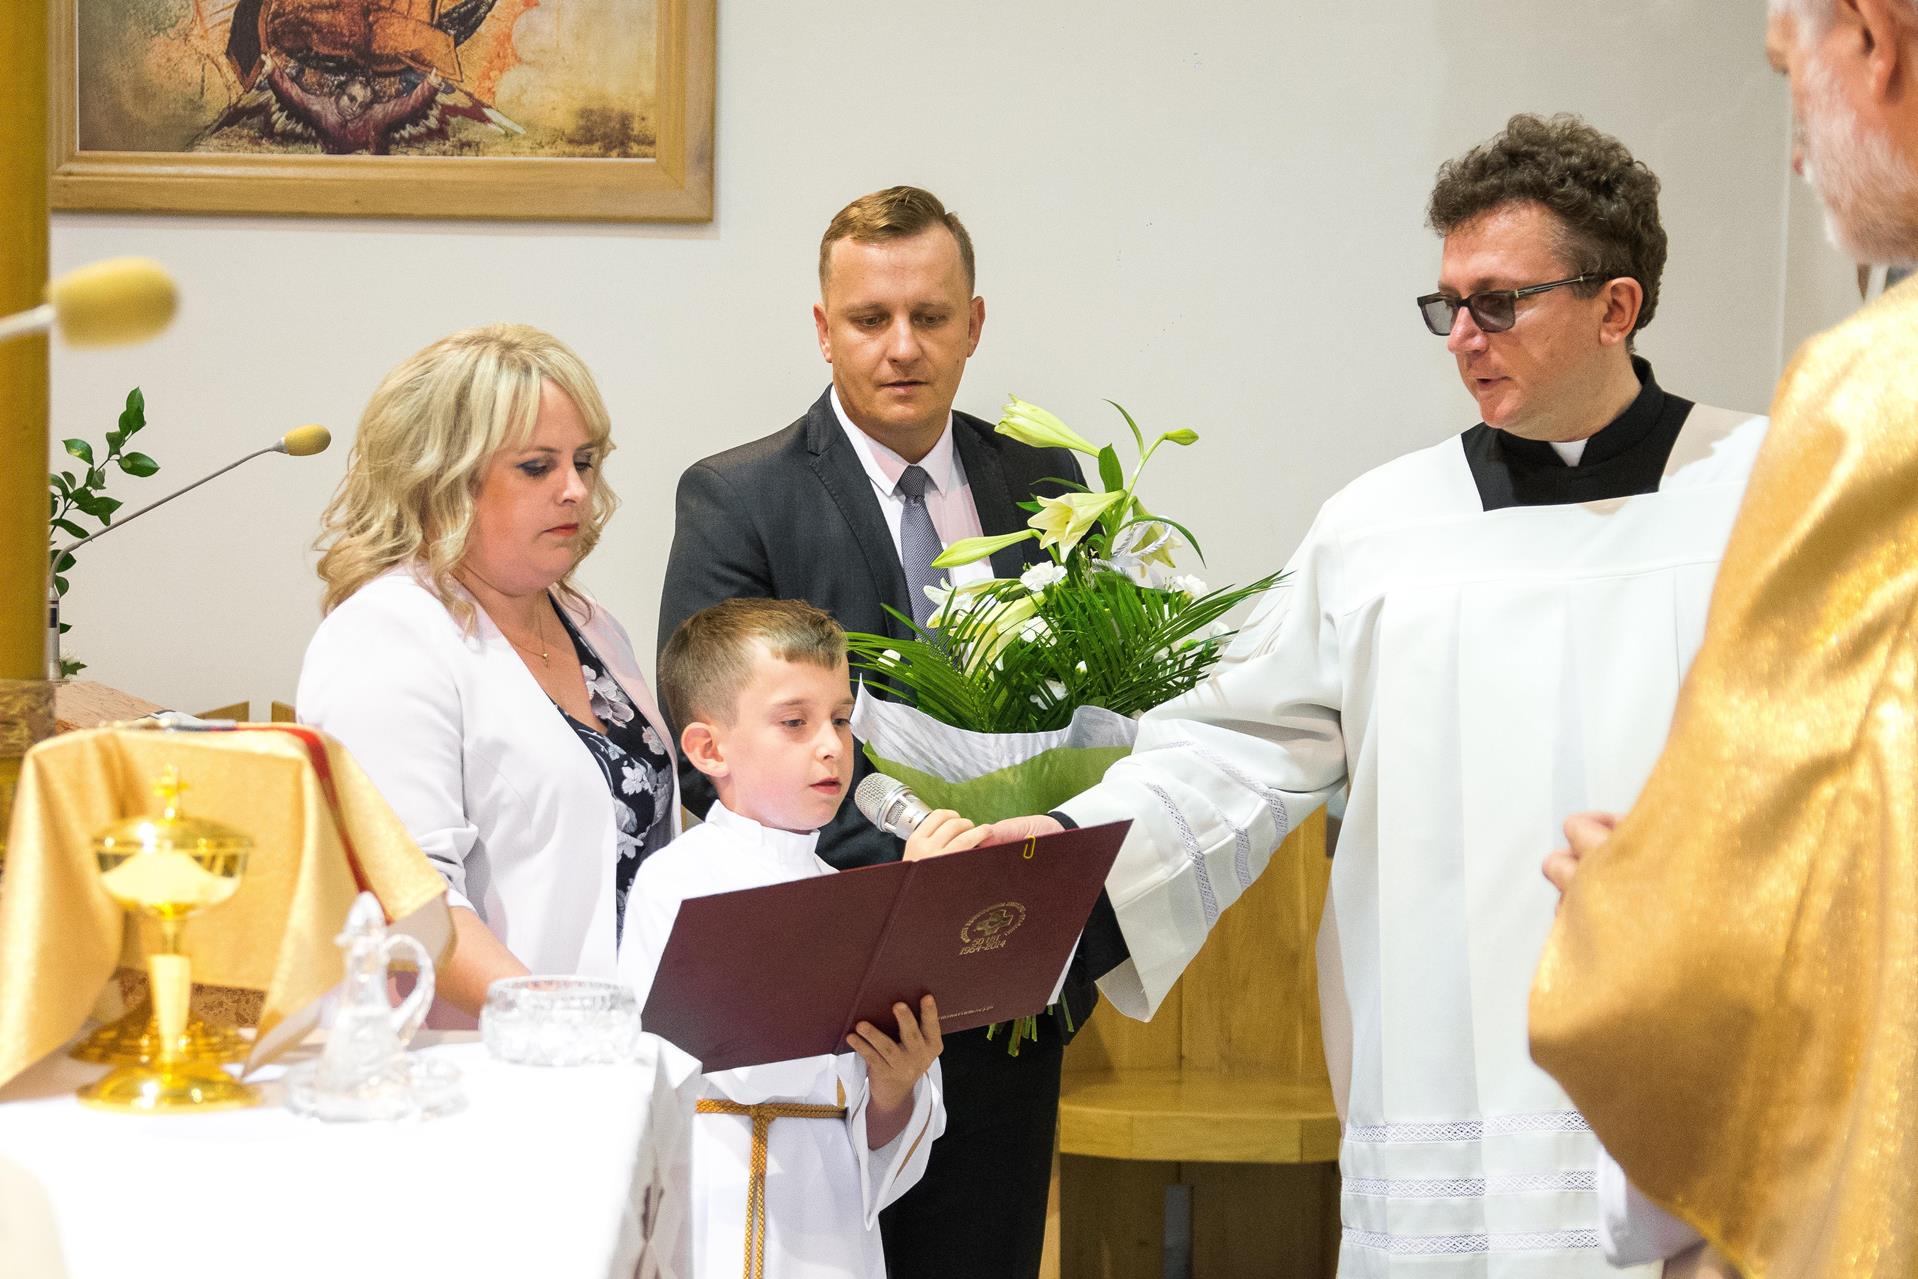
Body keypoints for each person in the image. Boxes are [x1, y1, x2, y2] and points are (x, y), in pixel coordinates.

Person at [983, 115, 1771, 1274]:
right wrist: (1060, 853)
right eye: (1447, 305)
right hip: (1442, 1061)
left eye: (1498, 303)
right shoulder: (1380, 527)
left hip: (1689, 1060)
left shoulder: (1766, 493)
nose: (1463, 338)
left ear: (1616, 305)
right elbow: (1232, 749)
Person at [1531, 2, 1918, 1274]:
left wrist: (1629, 913)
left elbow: (1781, 858)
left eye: (1789, 75)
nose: (1796, 150)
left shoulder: (1876, 397)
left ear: (1874, 41)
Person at [656, 186, 1093, 1277]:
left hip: (1006, 978)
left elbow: (1094, 711)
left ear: (974, 323)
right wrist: (907, 896)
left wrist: (992, 886)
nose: (902, 346)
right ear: (823, 328)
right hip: (828, 1005)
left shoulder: (1046, 483)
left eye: (930, 316)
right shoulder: (737, 497)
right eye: (869, 319)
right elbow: (712, 751)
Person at [299, 323, 676, 1018]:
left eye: (584, 461)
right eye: (537, 467)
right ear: (442, 479)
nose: (575, 490)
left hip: (625, 1040)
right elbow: (407, 899)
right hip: (483, 1052)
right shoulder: (385, 635)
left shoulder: (589, 622)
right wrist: (557, 1020)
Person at [621, 598, 978, 1278]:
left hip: (832, 1231)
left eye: (841, 719)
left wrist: (896, 1084)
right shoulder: (680, 881)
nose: (832, 745)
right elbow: (754, 1068)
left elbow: (880, 1138)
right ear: (709, 749)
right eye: (795, 722)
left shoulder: (837, 888)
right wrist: (905, 906)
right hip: (717, 1218)